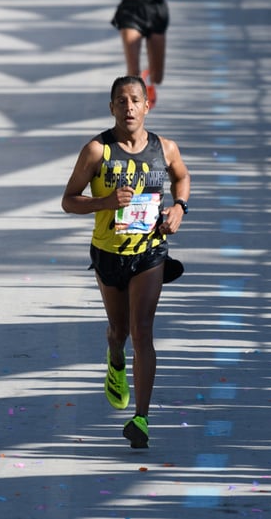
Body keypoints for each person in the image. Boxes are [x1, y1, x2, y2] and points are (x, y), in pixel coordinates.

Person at [61, 75, 190, 449]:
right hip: (108, 253)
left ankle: (142, 419)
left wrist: (179, 208)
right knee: (119, 331)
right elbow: (69, 199)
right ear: (112, 108)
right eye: (121, 101)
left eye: (135, 100)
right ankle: (114, 358)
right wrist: (103, 203)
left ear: (147, 105)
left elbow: (183, 177)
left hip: (149, 253)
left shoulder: (165, 149)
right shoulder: (97, 151)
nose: (129, 107)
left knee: (143, 330)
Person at [88, 0, 181, 109]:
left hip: (156, 7)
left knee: (158, 76)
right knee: (133, 69)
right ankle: (135, 108)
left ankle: (148, 76)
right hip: (130, 9)